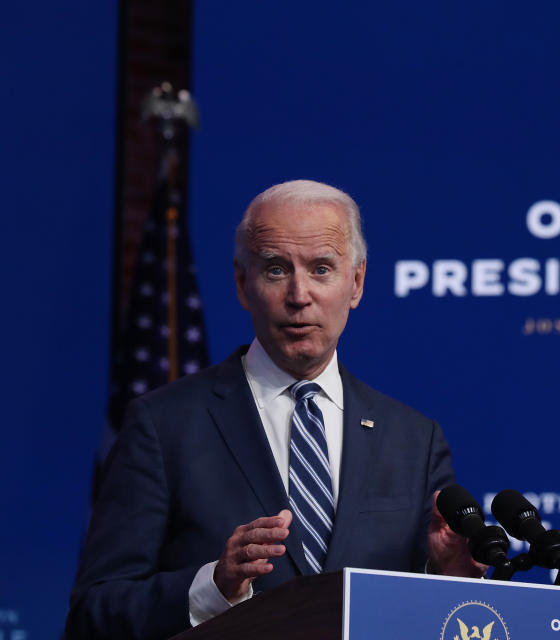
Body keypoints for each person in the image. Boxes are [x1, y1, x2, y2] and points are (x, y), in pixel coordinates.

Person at [66, 180, 484, 640]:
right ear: (244, 284)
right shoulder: (163, 424)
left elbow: (421, 611)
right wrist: (214, 586)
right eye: (276, 270)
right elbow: (94, 613)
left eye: (322, 269)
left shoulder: (414, 440)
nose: (299, 295)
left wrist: (448, 577)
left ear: (356, 282)